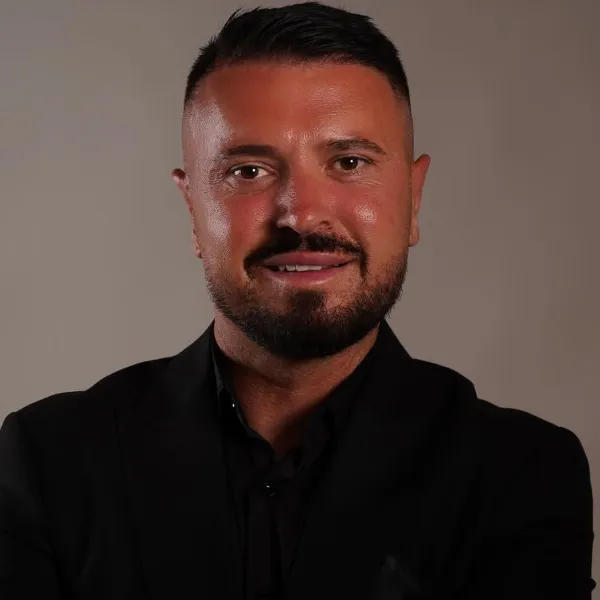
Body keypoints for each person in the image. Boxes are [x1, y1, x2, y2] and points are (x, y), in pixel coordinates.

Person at [0, 2, 594, 599]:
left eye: (350, 162)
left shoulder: (521, 475)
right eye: (249, 171)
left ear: (414, 200)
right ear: (192, 208)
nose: (302, 214)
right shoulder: (48, 463)